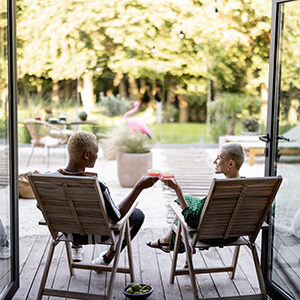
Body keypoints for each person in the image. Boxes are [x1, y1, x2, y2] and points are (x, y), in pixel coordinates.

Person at [52, 131, 159, 264]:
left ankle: (77, 246)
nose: (97, 155)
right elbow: (116, 216)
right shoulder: (96, 186)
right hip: (96, 235)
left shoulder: (48, 181)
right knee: (138, 215)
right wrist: (138, 188)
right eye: (96, 152)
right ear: (86, 155)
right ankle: (108, 257)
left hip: (68, 233)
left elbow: (42, 207)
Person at [146, 142, 245, 253]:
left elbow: (192, 221)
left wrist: (177, 189)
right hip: (234, 234)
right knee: (186, 199)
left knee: (181, 212)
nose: (214, 161)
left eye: (219, 158)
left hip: (211, 236)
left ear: (231, 164)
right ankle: (165, 240)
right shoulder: (249, 188)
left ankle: (167, 242)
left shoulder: (220, 191)